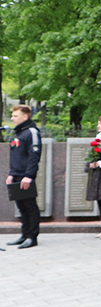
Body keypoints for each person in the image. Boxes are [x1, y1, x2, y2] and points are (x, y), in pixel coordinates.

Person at [6, 105, 42, 249]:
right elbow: (16, 156)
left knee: (30, 206)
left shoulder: (32, 132)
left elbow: (34, 156)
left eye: (15, 116)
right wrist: (11, 173)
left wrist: (29, 175)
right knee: (21, 206)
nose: (12, 118)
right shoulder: (20, 133)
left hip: (25, 176)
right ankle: (24, 234)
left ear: (25, 117)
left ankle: (32, 237)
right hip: (17, 174)